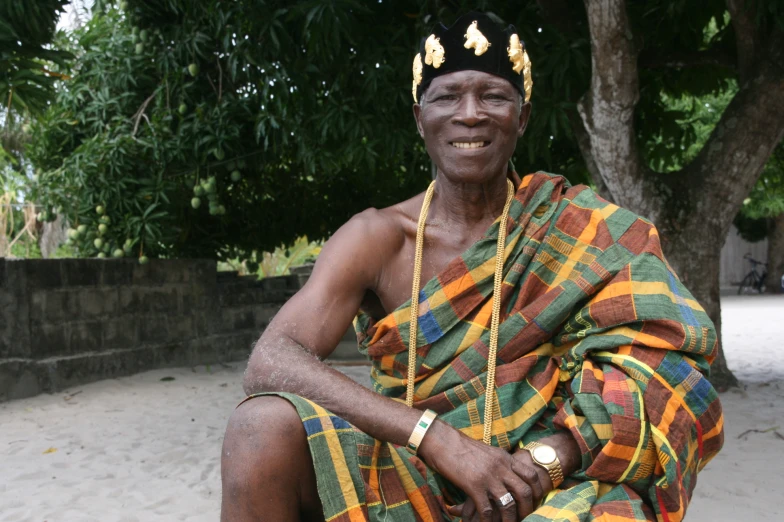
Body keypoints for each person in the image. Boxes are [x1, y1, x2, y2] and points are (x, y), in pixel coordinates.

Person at [221, 12, 723, 522]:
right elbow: (272, 360)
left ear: (522, 117)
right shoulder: (379, 238)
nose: (470, 114)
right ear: (420, 117)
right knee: (258, 428)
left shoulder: (579, 230)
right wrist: (432, 437)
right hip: (407, 464)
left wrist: (544, 461)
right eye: (447, 96)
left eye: (493, 96)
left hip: (543, 478)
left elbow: (666, 371)